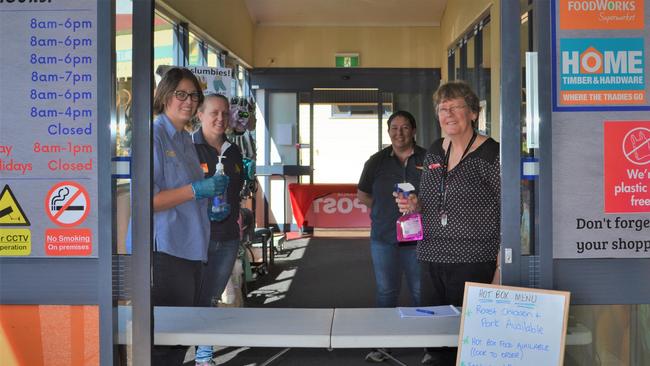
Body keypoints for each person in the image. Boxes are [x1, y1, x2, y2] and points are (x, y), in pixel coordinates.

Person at [396, 81, 500, 365]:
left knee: (467, 342)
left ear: (474, 114)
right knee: (435, 341)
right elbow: (429, 197)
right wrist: (413, 204)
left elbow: (515, 210)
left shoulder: (491, 154)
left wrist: (501, 266)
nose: (449, 114)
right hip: (430, 258)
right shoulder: (434, 151)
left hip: (473, 261)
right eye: (443, 109)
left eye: (456, 107)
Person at [152, 67, 229, 366]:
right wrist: (196, 190)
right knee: (165, 341)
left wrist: (207, 199)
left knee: (180, 336)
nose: (188, 101)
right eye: (180, 94)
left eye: (193, 95)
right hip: (166, 250)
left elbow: (188, 193)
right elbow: (147, 201)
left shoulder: (184, 139)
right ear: (165, 96)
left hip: (192, 247)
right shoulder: (154, 136)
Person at [357, 110, 426, 363]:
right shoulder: (376, 161)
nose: (399, 132)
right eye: (394, 128)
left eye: (405, 127)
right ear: (388, 132)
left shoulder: (428, 158)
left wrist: (418, 207)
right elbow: (362, 194)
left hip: (419, 239)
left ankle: (429, 346)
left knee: (421, 291)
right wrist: (384, 210)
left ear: (414, 130)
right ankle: (383, 344)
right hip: (384, 238)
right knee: (387, 292)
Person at [192, 94, 245, 366]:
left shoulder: (234, 151)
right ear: (199, 114)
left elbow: (238, 193)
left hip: (227, 239)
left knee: (211, 297)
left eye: (225, 113)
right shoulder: (188, 148)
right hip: (195, 239)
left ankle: (203, 354)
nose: (220, 118)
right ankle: (177, 350)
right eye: (214, 112)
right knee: (189, 297)